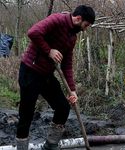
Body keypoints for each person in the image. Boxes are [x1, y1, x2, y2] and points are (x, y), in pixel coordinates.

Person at [15, 5, 95, 150]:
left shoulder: (72, 37)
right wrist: (49, 50)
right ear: (78, 19)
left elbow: (67, 64)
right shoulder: (57, 20)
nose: (85, 29)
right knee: (26, 113)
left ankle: (51, 145)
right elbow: (33, 32)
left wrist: (72, 90)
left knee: (63, 107)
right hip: (30, 71)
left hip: (46, 75)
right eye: (86, 25)